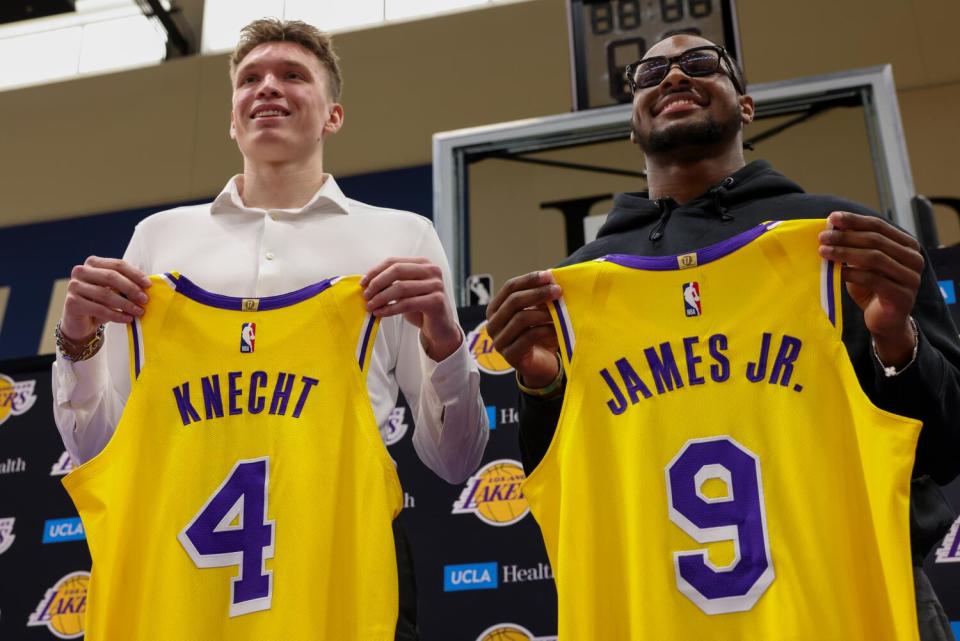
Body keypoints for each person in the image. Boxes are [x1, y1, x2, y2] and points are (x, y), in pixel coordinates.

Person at [486, 33, 960, 641]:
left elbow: (946, 447)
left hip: (855, 591)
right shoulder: (575, 287)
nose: (675, 77)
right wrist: (540, 386)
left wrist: (896, 337)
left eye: (700, 64)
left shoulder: (842, 240)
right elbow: (562, 487)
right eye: (652, 71)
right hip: (656, 606)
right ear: (633, 124)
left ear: (747, 106)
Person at [52, 18, 488, 640]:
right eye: (249, 79)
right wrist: (77, 343)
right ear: (232, 117)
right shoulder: (160, 239)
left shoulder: (401, 237)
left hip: (342, 552)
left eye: (292, 75)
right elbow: (100, 447)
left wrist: (446, 344)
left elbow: (455, 458)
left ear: (333, 115)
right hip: (177, 565)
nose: (268, 88)